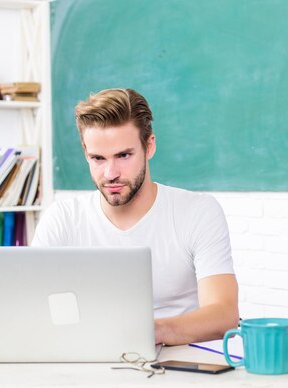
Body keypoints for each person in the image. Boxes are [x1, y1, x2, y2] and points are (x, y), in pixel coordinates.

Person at [32, 88, 239, 345]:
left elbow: (224, 315)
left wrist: (150, 332)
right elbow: (33, 309)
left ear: (149, 146)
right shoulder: (61, 218)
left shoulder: (198, 212)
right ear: (86, 152)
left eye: (124, 156)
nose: (110, 173)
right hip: (88, 361)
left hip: (180, 368)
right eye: (97, 158)